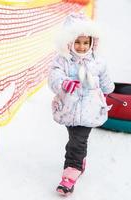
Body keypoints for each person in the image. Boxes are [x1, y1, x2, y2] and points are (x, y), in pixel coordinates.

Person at [48, 12, 115, 196]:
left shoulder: (98, 62)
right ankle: (80, 159)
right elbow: (54, 76)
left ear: (93, 42)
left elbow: (106, 82)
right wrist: (64, 83)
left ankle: (69, 176)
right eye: (77, 42)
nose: (82, 46)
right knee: (74, 140)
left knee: (77, 141)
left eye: (86, 42)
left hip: (90, 111)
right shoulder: (63, 61)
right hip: (68, 110)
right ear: (68, 42)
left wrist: (108, 90)